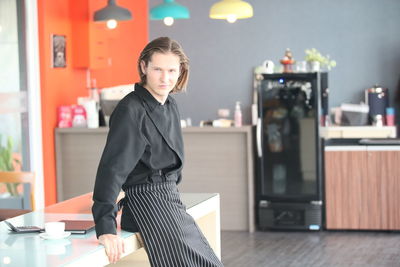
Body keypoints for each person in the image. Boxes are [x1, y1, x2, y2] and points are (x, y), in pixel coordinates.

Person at [92, 37, 224, 267]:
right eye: (158, 69)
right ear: (144, 67)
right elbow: (112, 171)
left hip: (169, 198)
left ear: (181, 70)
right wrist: (106, 227)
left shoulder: (170, 105)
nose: (166, 78)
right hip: (146, 201)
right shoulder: (130, 110)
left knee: (208, 261)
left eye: (172, 70)